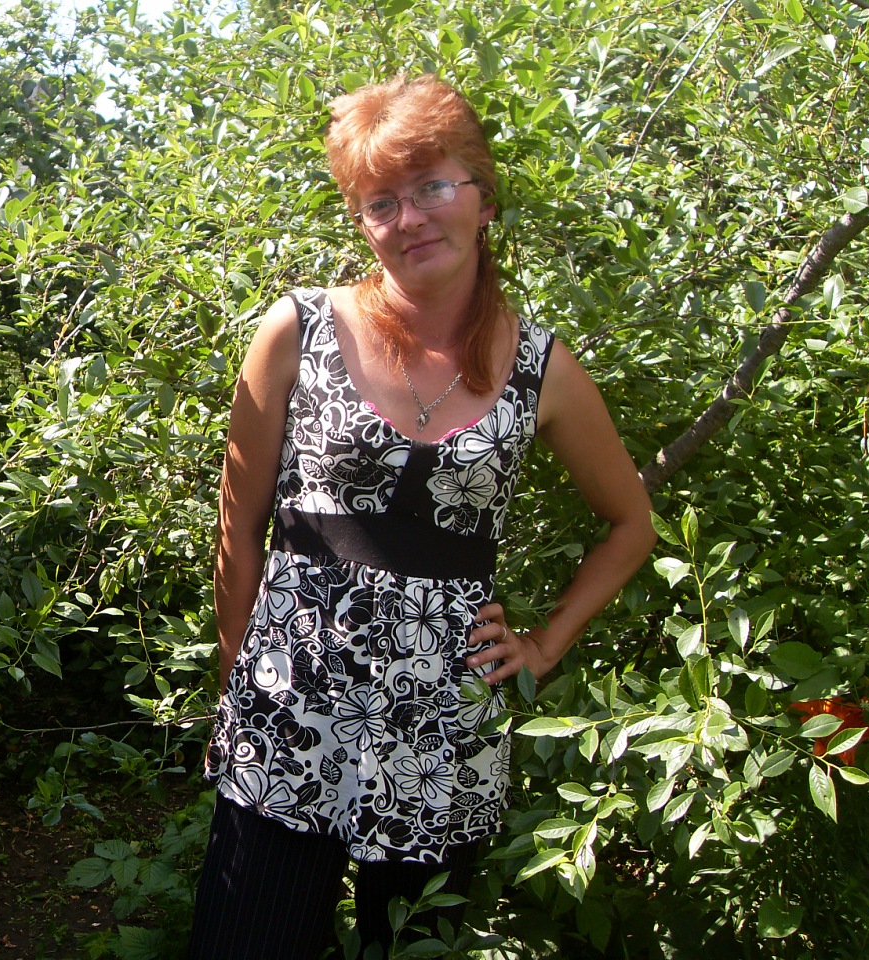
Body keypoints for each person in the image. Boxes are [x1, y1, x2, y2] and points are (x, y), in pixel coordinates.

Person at [189, 74, 656, 959]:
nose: (409, 219)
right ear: (361, 222)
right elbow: (236, 528)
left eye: (433, 186)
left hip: (441, 726)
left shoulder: (544, 369)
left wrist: (543, 646)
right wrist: (238, 685)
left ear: (484, 197)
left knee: (411, 949)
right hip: (288, 708)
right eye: (381, 202)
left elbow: (633, 525)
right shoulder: (298, 330)